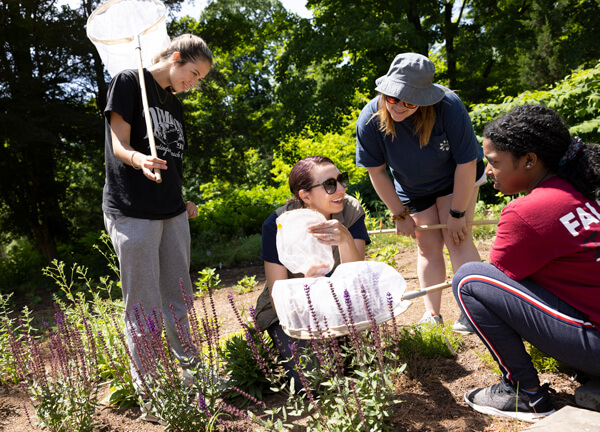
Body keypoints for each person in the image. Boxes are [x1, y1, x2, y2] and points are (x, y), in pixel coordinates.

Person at [453, 104, 600, 422]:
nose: (487, 172)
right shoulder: (583, 188)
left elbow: (499, 283)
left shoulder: (527, 210)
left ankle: (522, 394)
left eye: (494, 163)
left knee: (470, 280)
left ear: (529, 160)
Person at [102, 34, 212, 417]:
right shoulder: (129, 81)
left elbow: (171, 161)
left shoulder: (174, 105)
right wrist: (138, 160)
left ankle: (194, 376)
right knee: (144, 307)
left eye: (199, 80)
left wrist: (181, 199)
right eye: (193, 74)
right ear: (176, 57)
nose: (193, 83)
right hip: (132, 211)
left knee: (179, 298)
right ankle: (152, 394)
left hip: (172, 213)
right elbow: (118, 143)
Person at [356, 52, 485, 333]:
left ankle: (476, 312)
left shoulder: (449, 107)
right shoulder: (369, 118)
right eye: (393, 98)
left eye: (409, 101)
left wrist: (457, 212)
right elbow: (377, 172)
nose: (399, 107)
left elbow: (466, 163)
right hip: (414, 188)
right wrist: (398, 213)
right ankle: (432, 314)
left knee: (457, 237)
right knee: (427, 247)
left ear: (425, 99)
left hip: (456, 179)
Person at [254, 156, 371, 389]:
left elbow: (357, 279)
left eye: (341, 180)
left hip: (340, 305)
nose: (341, 189)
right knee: (314, 384)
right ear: (305, 196)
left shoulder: (350, 211)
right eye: (330, 184)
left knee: (365, 367)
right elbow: (279, 300)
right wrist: (307, 286)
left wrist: (346, 240)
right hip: (293, 311)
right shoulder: (277, 224)